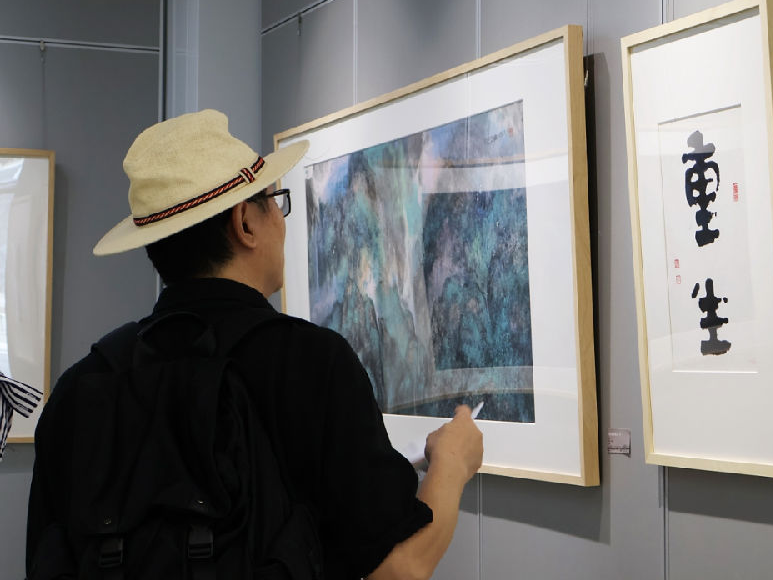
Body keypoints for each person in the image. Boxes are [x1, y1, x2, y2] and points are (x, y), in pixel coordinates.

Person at [25, 109, 483, 579]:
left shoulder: (81, 388)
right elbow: (400, 568)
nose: (281, 222)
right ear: (245, 222)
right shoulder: (313, 366)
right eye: (274, 201)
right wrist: (452, 463)